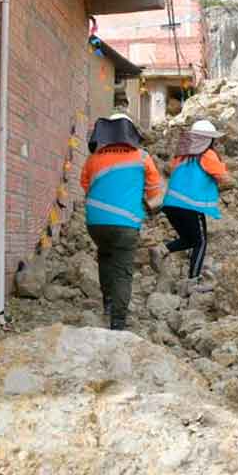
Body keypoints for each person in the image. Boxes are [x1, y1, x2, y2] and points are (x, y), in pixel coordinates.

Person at [80, 113, 163, 330]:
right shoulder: (142, 157)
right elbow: (154, 191)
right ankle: (117, 322)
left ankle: (107, 303)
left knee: (105, 257)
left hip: (95, 223)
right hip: (126, 224)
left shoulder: (93, 158)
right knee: (123, 270)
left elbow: (85, 185)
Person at [149, 120, 233, 288]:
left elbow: (172, 170)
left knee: (189, 239)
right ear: (209, 140)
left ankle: (162, 250)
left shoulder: (181, 156)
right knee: (200, 242)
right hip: (191, 206)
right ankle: (193, 280)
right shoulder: (207, 155)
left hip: (170, 205)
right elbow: (224, 177)